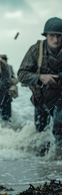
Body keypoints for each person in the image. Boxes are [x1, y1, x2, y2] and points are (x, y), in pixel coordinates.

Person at [18, 17, 62, 150]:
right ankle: (44, 166)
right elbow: (22, 75)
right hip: (41, 98)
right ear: (46, 36)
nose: (56, 40)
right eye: (52, 35)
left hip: (60, 99)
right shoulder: (36, 50)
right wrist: (41, 77)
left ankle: (57, 163)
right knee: (41, 137)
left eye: (59, 36)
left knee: (59, 131)